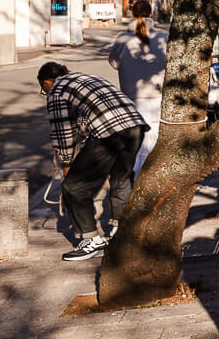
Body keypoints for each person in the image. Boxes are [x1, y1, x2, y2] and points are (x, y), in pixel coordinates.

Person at [38, 61, 147, 263]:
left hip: (109, 133)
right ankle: (121, 232)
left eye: (43, 89)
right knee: (121, 180)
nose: (45, 92)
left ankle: (90, 240)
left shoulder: (56, 91)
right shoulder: (85, 78)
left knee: (74, 188)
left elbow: (63, 132)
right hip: (135, 126)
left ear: (46, 82)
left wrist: (66, 164)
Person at [108, 0, 168, 174]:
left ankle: (134, 183)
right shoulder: (162, 38)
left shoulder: (123, 39)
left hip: (131, 98)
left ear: (132, 14)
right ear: (150, 14)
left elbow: (114, 62)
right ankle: (152, 181)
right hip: (157, 97)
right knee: (154, 143)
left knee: (134, 145)